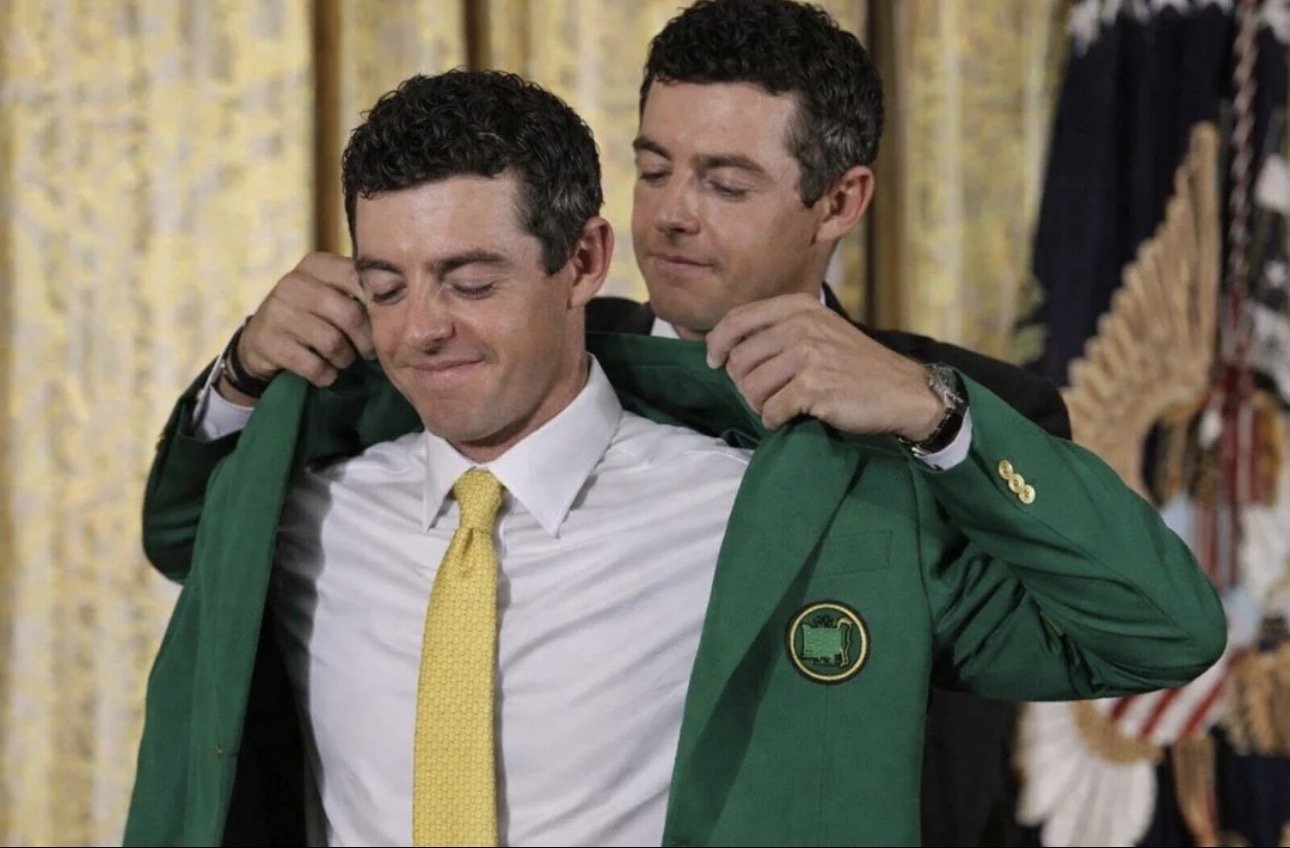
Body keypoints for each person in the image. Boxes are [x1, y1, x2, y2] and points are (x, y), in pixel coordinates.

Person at [124, 66, 1226, 848]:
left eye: (471, 281)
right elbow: (183, 539)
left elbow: (1159, 631)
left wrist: (940, 417)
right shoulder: (304, 504)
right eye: (385, 286)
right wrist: (241, 374)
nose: (422, 330)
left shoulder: (784, 513)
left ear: (582, 261)